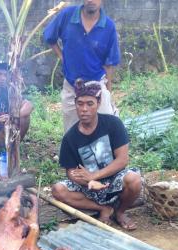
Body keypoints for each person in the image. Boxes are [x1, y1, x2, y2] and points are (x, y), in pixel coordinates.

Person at [52, 80, 141, 230]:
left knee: (134, 180)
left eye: (89, 104)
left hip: (114, 180)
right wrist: (88, 182)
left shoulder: (113, 124)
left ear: (98, 104)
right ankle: (103, 209)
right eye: (80, 104)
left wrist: (95, 175)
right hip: (90, 187)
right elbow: (70, 172)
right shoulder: (70, 137)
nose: (84, 109)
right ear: (75, 105)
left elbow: (122, 159)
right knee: (58, 190)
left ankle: (120, 212)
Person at [43, 0, 120, 132]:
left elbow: (109, 64)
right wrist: (62, 57)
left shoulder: (108, 26)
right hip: (72, 86)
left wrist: (107, 94)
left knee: (105, 129)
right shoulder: (67, 15)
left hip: (97, 86)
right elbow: (50, 37)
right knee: (72, 132)